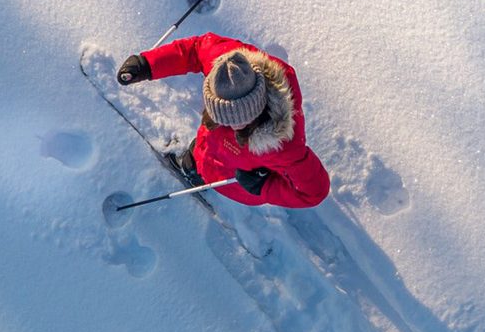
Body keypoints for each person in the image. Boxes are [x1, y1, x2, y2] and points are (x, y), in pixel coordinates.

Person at [117, 34, 331, 209]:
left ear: (257, 109)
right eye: (219, 117)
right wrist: (148, 64)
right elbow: (195, 49)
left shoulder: (284, 144)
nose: (229, 125)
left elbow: (314, 193)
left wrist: (264, 187)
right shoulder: (226, 67)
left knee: (218, 150)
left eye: (237, 121)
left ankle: (200, 174)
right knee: (206, 142)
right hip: (208, 148)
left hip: (235, 182)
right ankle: (193, 165)